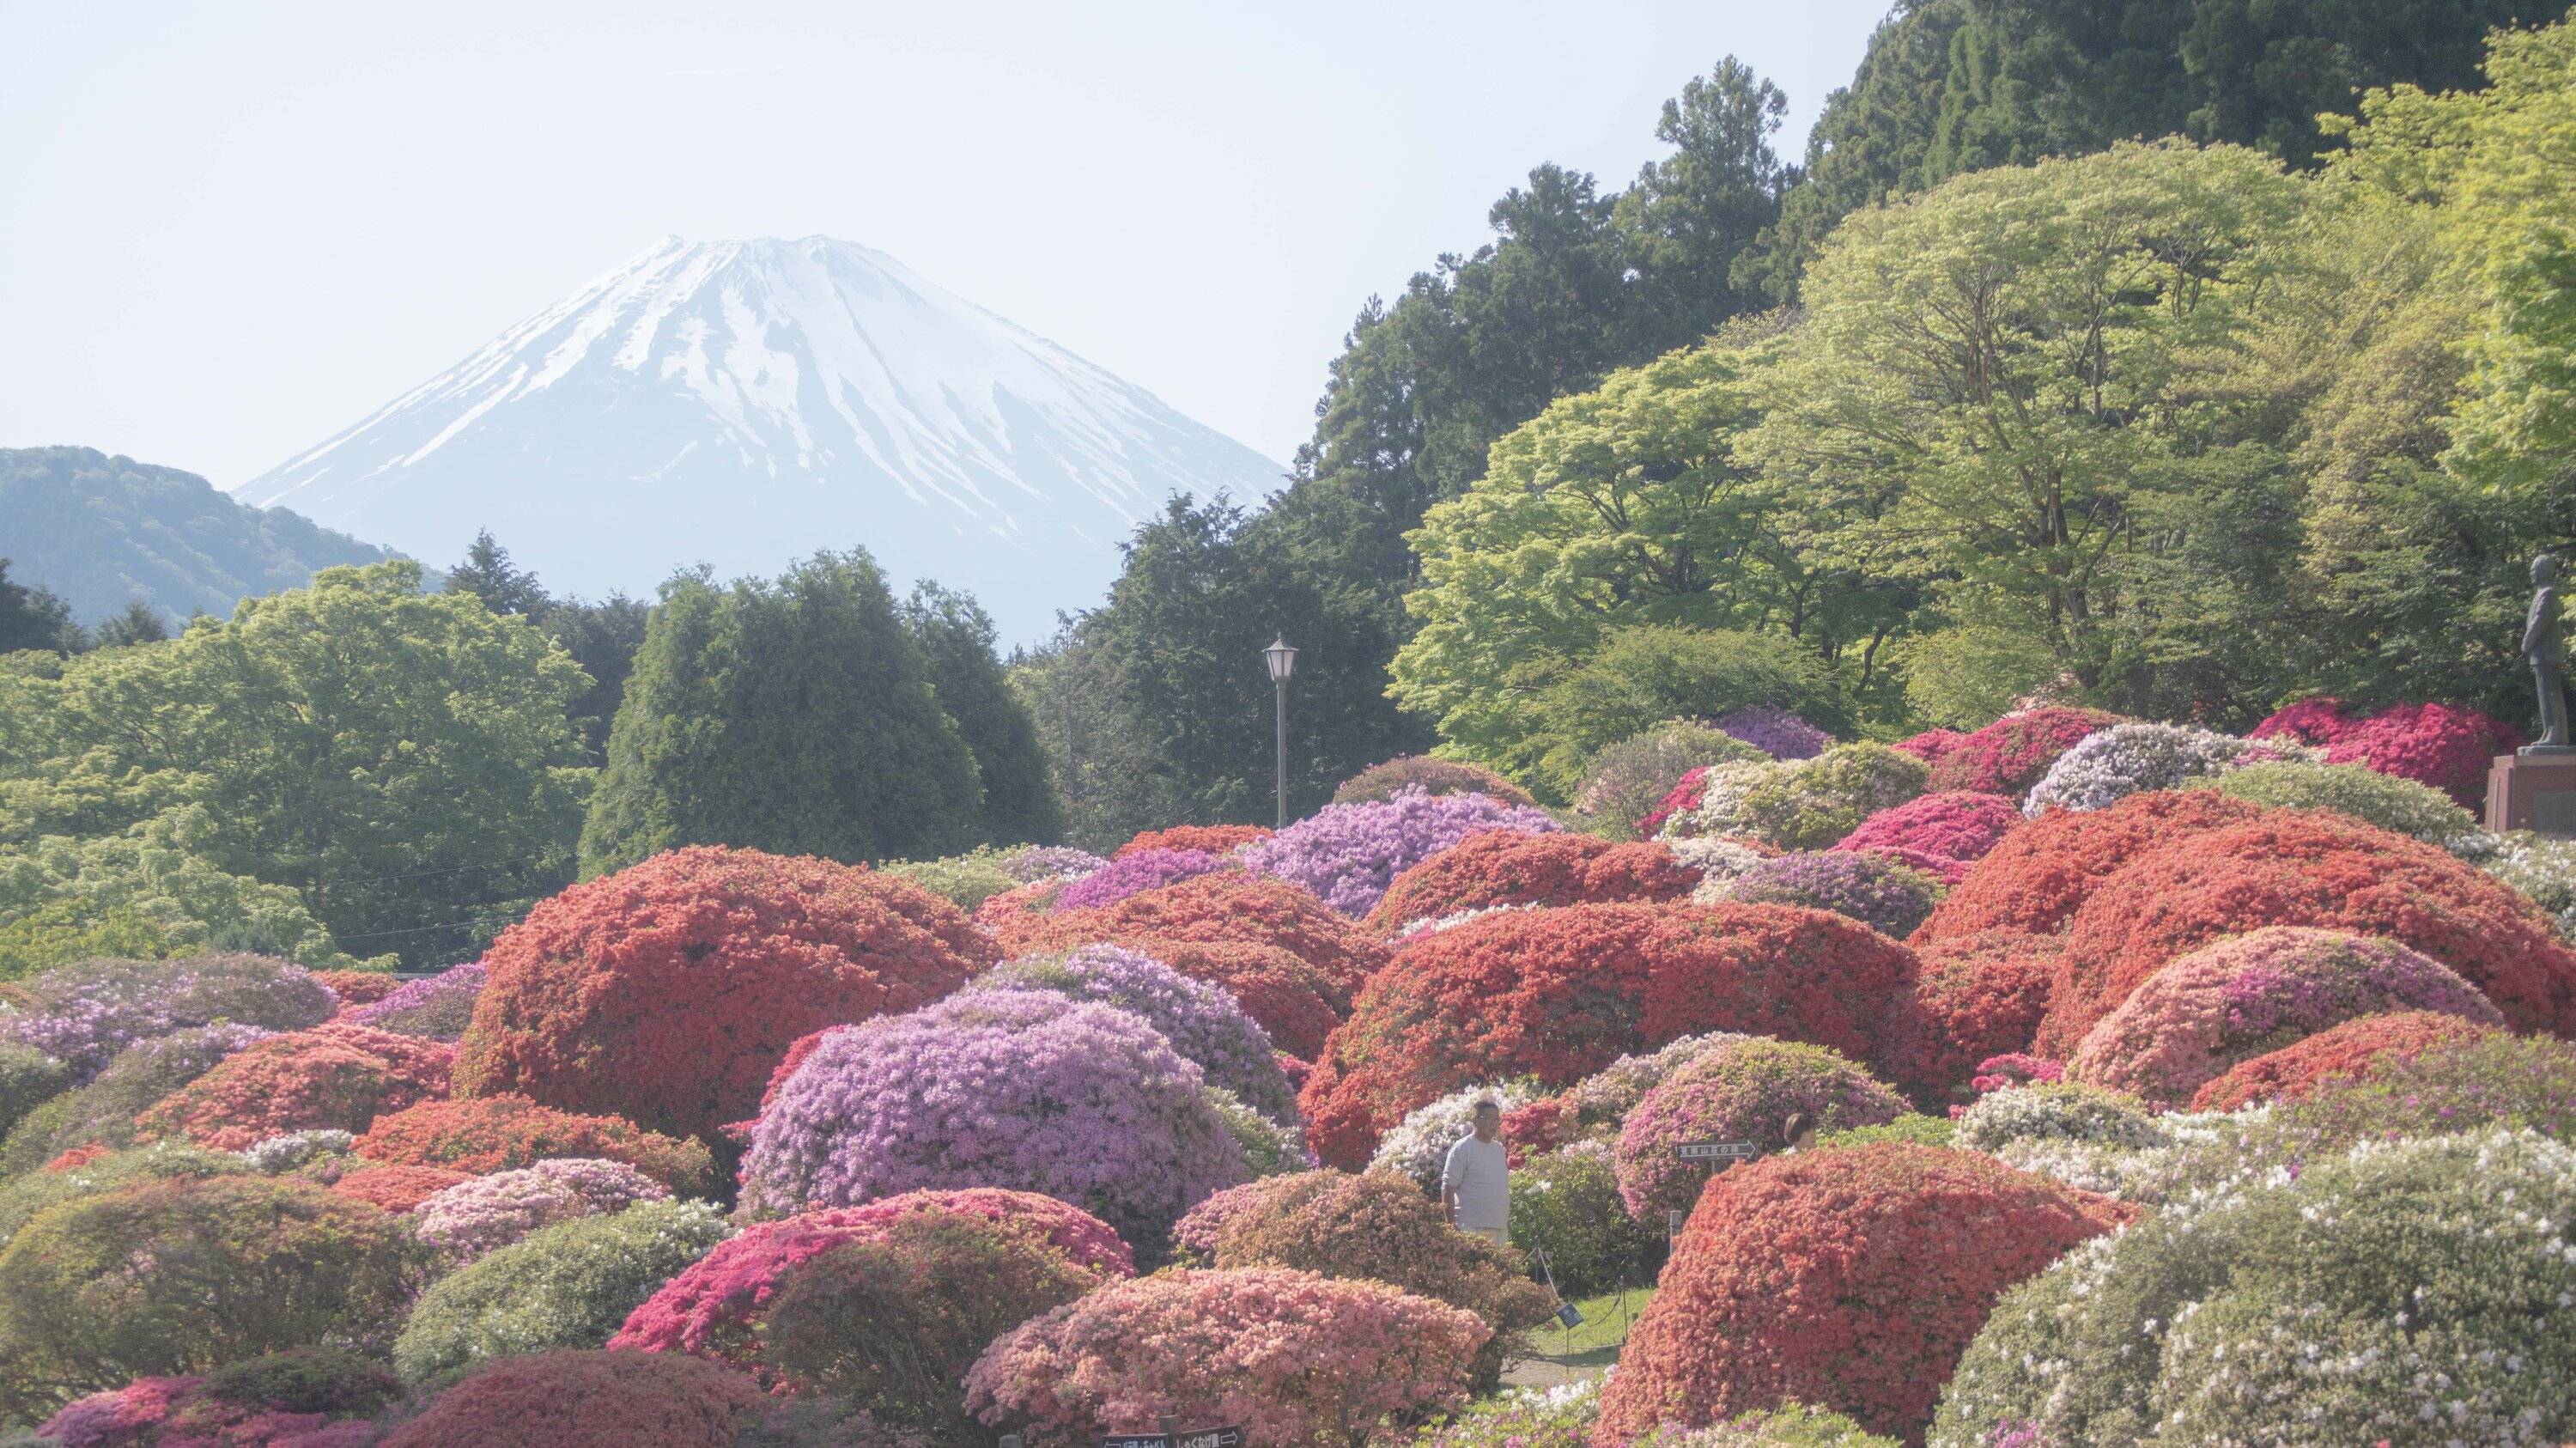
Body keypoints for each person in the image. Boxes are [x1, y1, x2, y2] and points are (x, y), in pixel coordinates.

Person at [1441, 1098, 1510, 1247]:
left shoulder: (1499, 1150)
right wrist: (1451, 1225)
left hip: (1498, 1230)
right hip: (1470, 1228)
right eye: (1488, 1118)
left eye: (1496, 1119)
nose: (1493, 1123)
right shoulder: (1462, 1148)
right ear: (1475, 1121)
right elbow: (1448, 1187)